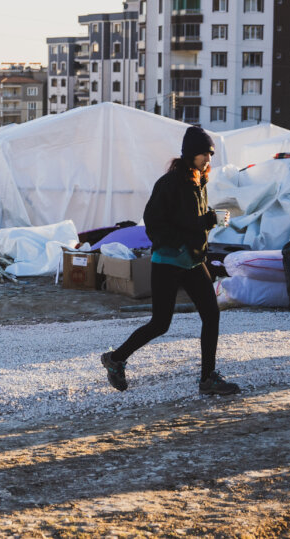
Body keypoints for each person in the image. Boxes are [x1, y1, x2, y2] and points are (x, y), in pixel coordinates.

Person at [101, 126, 240, 396]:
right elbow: (155, 222)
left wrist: (210, 219)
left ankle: (208, 378)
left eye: (210, 155)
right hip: (168, 260)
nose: (208, 160)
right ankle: (116, 359)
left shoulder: (200, 182)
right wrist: (198, 226)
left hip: (192, 259)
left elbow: (193, 220)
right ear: (190, 154)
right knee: (160, 323)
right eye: (203, 154)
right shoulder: (170, 183)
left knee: (211, 314)